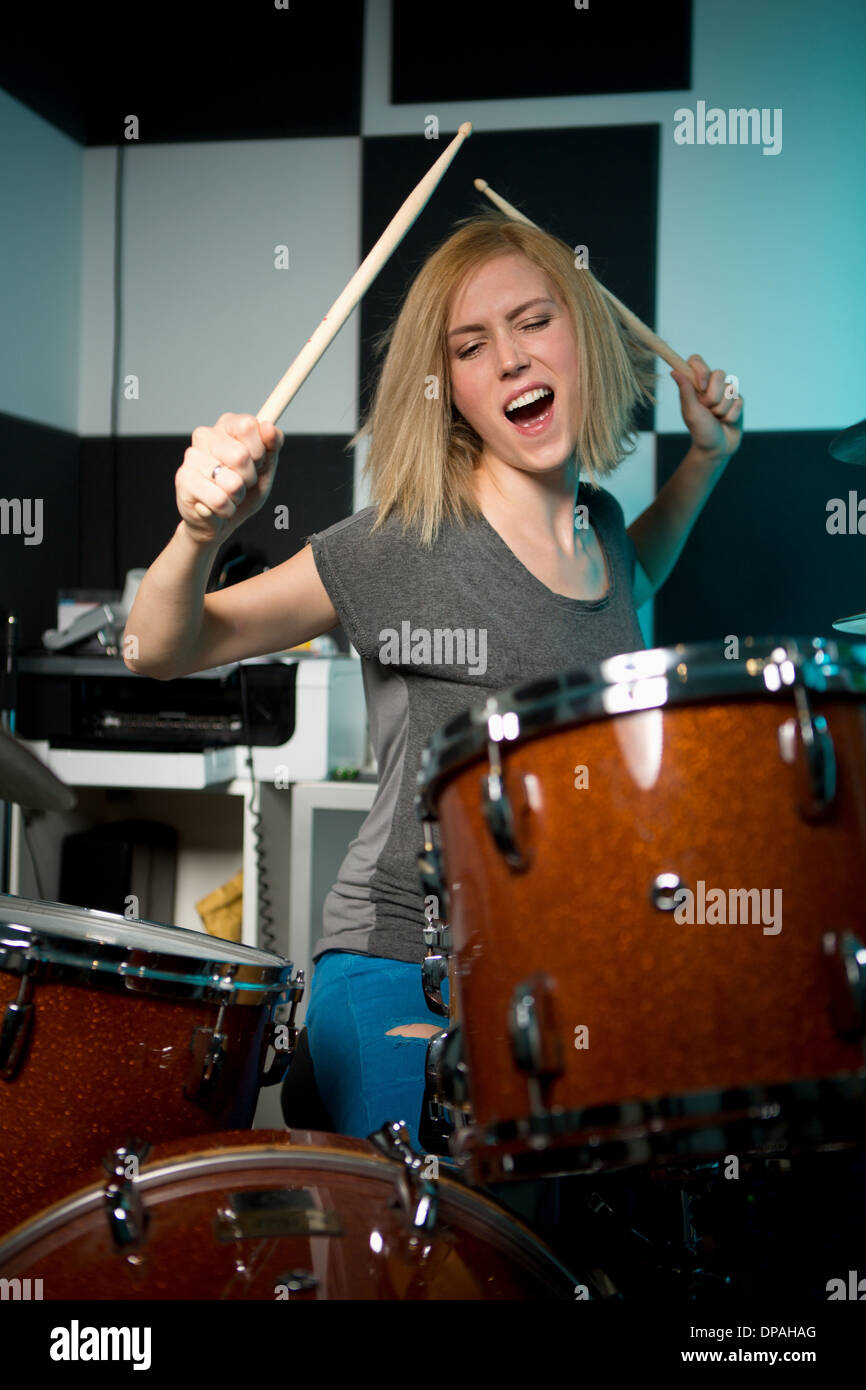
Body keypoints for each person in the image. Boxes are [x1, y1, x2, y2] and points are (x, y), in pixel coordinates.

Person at [125, 212, 743, 1155]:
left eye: (534, 322)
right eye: (471, 345)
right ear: (449, 387)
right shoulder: (401, 542)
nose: (508, 358)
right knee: (440, 1251)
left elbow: (630, 583)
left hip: (550, 969)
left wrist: (707, 456)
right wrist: (199, 531)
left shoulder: (599, 528)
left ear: (581, 337)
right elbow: (160, 649)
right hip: (400, 967)